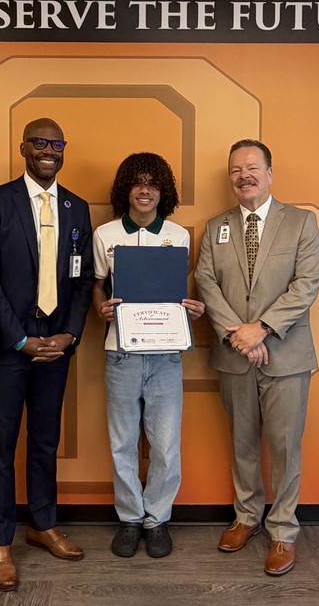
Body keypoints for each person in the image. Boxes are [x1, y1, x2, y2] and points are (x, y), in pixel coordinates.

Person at [0, 117, 94, 591]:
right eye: (40, 142)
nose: (49, 150)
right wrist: (19, 339)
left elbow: (83, 280)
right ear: (23, 148)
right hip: (9, 345)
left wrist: (69, 335)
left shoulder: (77, 207)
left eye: (57, 144)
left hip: (55, 344)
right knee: (1, 444)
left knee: (45, 440)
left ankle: (43, 524)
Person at [194, 139, 319, 577]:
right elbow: (206, 282)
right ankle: (246, 517)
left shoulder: (301, 222)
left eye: (252, 167)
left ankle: (283, 530)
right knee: (243, 442)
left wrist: (262, 328)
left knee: (285, 447)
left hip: (287, 355)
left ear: (269, 173)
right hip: (235, 354)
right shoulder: (216, 227)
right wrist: (240, 336)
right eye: (235, 170)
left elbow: (307, 283)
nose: (243, 176)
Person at [92, 153, 204, 559]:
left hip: (166, 355)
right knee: (122, 442)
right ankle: (130, 519)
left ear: (163, 191)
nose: (145, 190)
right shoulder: (105, 234)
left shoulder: (178, 236)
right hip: (120, 353)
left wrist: (193, 309)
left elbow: (178, 293)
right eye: (137, 182)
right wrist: (100, 307)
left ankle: (157, 519)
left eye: (153, 183)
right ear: (126, 189)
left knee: (166, 445)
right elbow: (97, 285)